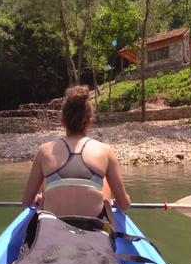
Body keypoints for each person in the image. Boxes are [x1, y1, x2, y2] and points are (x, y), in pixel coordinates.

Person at [22, 85, 131, 225]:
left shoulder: (45, 151)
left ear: (62, 122)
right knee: (102, 180)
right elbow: (124, 205)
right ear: (89, 123)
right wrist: (122, 200)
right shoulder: (105, 151)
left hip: (52, 230)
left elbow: (26, 202)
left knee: (48, 177)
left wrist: (35, 199)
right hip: (94, 232)